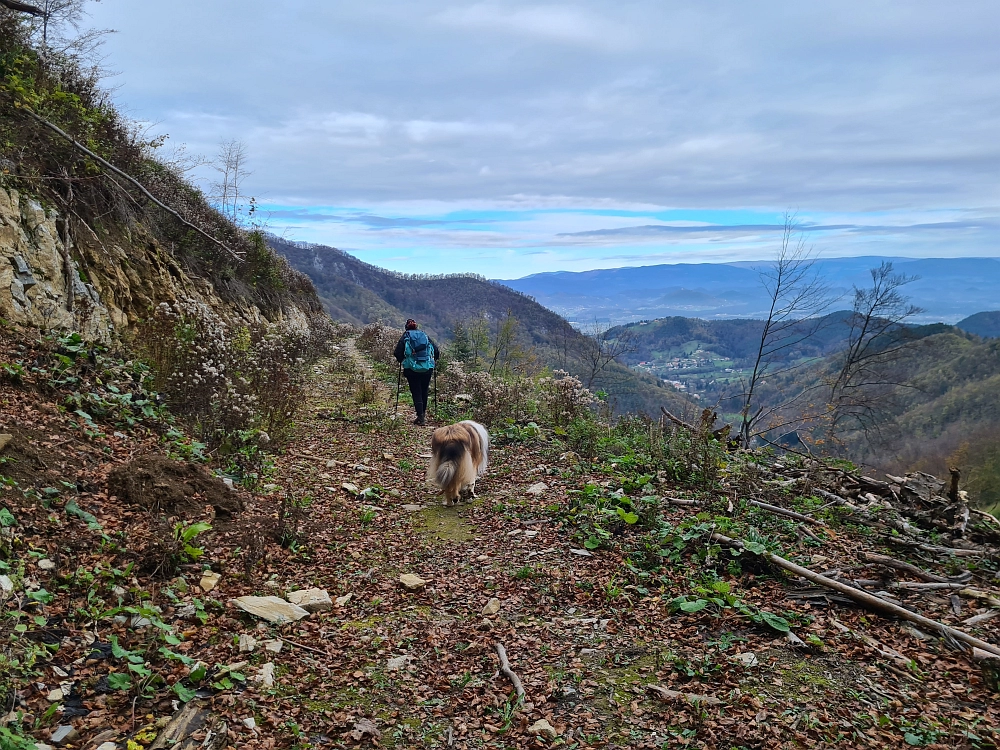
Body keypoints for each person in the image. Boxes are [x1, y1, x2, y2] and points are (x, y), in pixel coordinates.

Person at [393, 319, 440, 426]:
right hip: (427, 368)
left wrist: (403, 361)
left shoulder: (406, 336)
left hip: (412, 368)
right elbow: (436, 351)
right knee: (424, 390)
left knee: (416, 391)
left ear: (406, 327)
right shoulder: (424, 335)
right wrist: (433, 360)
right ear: (416, 327)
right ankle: (422, 414)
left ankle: (421, 417)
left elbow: (397, 353)